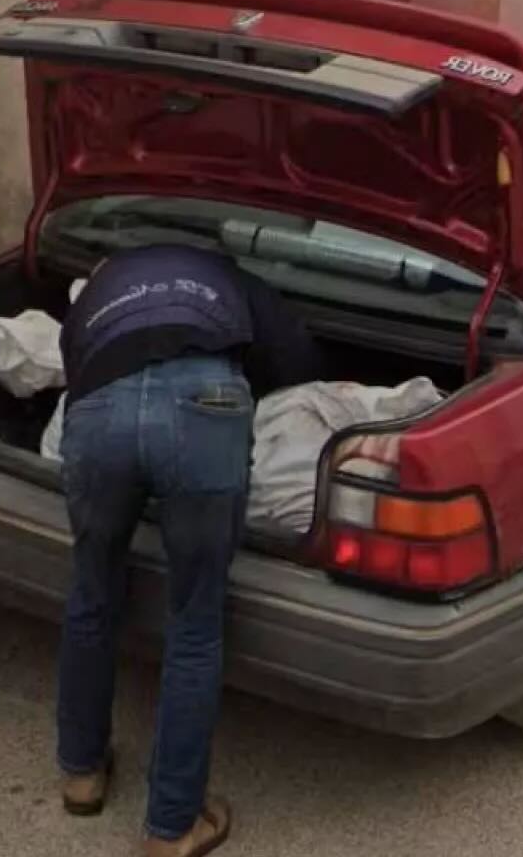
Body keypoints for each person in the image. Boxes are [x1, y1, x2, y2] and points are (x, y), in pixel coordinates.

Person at [53, 243, 319, 857]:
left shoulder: (99, 289)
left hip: (99, 414)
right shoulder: (228, 278)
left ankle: (82, 773)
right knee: (195, 624)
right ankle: (171, 827)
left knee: (92, 590)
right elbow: (296, 357)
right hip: (208, 404)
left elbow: (73, 366)